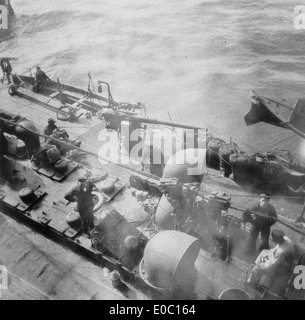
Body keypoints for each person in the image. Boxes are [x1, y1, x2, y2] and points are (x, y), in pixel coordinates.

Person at [64, 173, 95, 237]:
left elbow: (93, 185)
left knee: (91, 217)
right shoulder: (75, 189)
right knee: (84, 220)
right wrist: (74, 200)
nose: (82, 183)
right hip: (82, 208)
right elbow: (66, 196)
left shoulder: (88, 184)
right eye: (81, 182)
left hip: (89, 205)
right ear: (78, 182)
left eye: (83, 181)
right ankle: (86, 232)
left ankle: (92, 229)